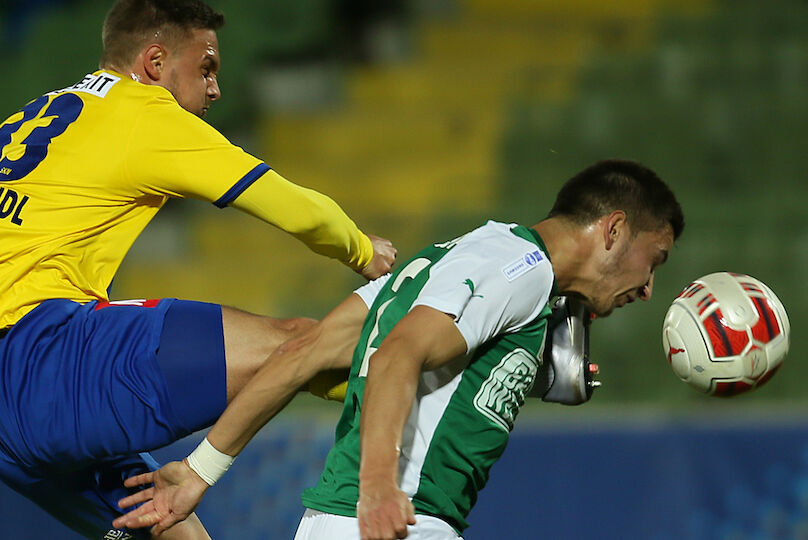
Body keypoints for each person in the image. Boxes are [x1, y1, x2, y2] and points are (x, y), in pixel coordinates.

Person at [0, 1, 397, 539]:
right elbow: (287, 203)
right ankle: (434, 374)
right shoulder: (145, 112)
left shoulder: (40, 112)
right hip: (44, 358)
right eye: (206, 67)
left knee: (171, 526)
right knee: (302, 343)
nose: (215, 90)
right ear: (156, 63)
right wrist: (360, 249)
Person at [110, 159, 684, 539]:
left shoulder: (446, 261)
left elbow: (301, 354)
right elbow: (396, 357)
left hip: (333, 524)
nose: (649, 287)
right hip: (397, 519)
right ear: (612, 231)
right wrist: (380, 488)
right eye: (653, 261)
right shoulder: (523, 268)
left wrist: (201, 469)